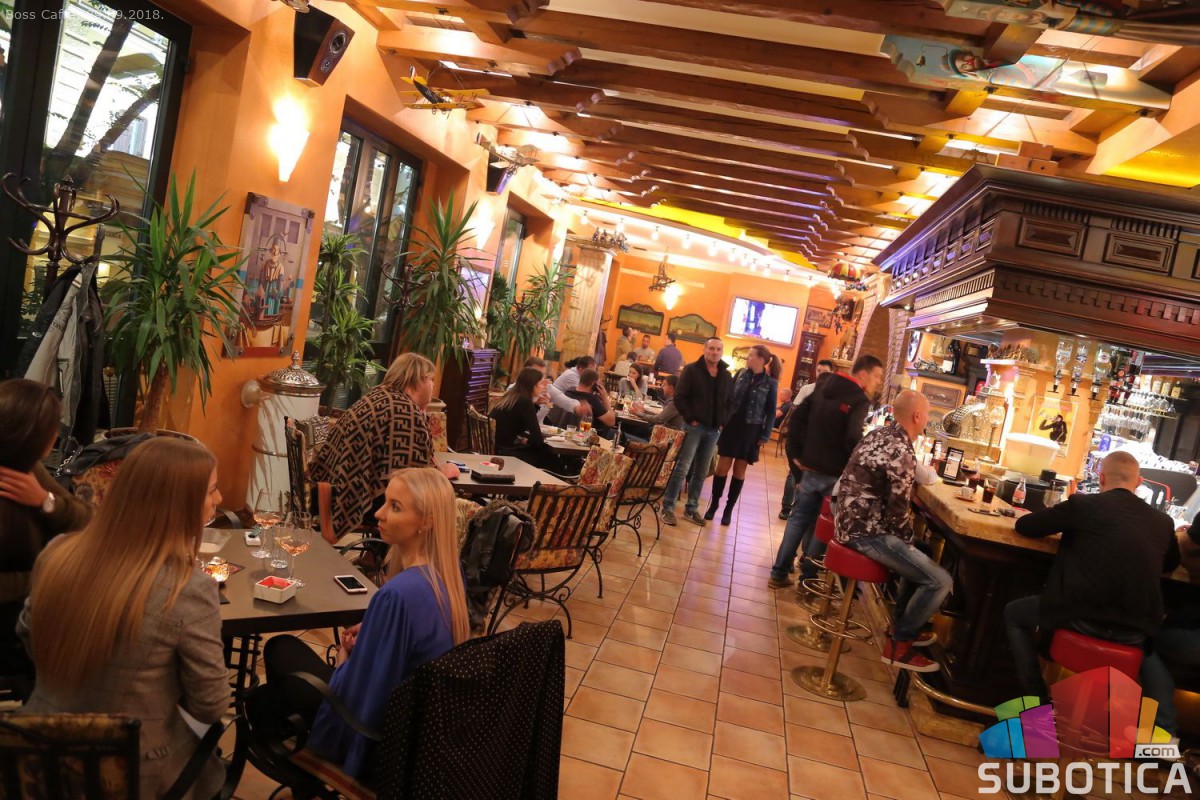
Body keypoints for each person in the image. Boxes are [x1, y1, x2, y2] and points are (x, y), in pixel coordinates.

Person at [20, 438, 230, 798]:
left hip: (37, 755)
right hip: (125, 772)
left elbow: (28, 636)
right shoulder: (189, 590)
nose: (220, 499)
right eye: (212, 490)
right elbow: (211, 705)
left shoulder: (56, 554)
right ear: (178, 505)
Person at [264, 468, 469, 780]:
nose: (378, 513)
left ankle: (297, 766)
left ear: (426, 522)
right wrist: (375, 630)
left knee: (280, 649)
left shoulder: (397, 595)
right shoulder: (450, 578)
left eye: (395, 507)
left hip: (374, 742)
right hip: (417, 733)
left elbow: (360, 695)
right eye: (385, 502)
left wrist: (344, 658)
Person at [1004, 450, 1179, 700]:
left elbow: (1026, 526)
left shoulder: (1083, 505)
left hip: (1079, 618)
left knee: (1014, 614)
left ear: (1101, 478)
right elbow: (1171, 563)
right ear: (1139, 483)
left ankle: (1037, 702)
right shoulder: (1162, 522)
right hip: (1136, 632)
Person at [835, 390, 950, 672]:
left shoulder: (880, 434)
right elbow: (897, 514)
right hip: (864, 532)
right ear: (917, 416)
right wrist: (906, 544)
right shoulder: (901, 451)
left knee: (921, 550)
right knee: (940, 581)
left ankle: (900, 625)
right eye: (927, 414)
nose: (927, 420)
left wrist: (910, 546)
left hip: (849, 520)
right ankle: (900, 643)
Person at [0, 379, 91, 685]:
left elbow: (86, 521)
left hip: (31, 613)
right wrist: (48, 578)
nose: (57, 434)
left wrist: (44, 501)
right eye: (54, 425)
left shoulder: (25, 468)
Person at [310, 353, 459, 536]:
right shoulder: (404, 411)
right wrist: (444, 472)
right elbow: (413, 478)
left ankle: (379, 552)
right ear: (417, 380)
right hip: (359, 504)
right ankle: (401, 553)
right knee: (435, 507)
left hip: (334, 492)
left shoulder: (379, 396)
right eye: (431, 379)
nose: (433, 385)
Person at [769, 354, 883, 588]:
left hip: (810, 468)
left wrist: (797, 455)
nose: (878, 382)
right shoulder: (858, 399)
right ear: (863, 374)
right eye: (877, 376)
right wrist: (857, 462)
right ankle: (808, 577)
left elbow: (797, 419)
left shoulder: (822, 386)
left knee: (798, 519)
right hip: (835, 474)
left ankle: (778, 573)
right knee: (823, 524)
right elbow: (852, 436)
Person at [704, 345, 779, 526]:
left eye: (751, 355)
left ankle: (729, 509)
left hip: (751, 429)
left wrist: (765, 435)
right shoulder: (740, 374)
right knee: (722, 468)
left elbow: (770, 412)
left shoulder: (770, 383)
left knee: (739, 470)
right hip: (732, 425)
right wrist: (722, 418)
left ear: (761, 360)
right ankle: (714, 505)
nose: (747, 358)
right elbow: (728, 398)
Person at [661, 337, 733, 527]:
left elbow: (730, 401)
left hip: (713, 430)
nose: (715, 352)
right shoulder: (691, 370)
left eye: (718, 349)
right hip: (693, 427)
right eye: (711, 348)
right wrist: (691, 418)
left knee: (701, 471)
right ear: (704, 349)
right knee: (682, 468)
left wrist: (723, 422)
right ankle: (668, 507)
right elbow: (680, 397)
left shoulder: (726, 375)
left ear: (721, 352)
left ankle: (691, 508)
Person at [779, 360, 835, 519]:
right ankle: (786, 507)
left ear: (831, 373)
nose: (820, 374)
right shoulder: (807, 389)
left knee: (808, 478)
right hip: (802, 438)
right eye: (818, 371)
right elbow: (795, 414)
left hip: (818, 443)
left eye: (824, 371)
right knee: (794, 474)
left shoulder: (833, 394)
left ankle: (799, 510)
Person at [491, 367, 560, 471]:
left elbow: (517, 420)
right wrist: (528, 441)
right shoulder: (525, 402)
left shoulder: (510, 396)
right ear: (533, 385)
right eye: (541, 384)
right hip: (506, 453)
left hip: (498, 447)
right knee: (550, 457)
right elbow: (537, 440)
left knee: (545, 454)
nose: (543, 387)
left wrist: (535, 404)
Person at [566, 369, 617, 434]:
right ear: (593, 384)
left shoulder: (568, 392)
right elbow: (611, 422)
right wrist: (605, 398)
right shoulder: (592, 399)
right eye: (599, 383)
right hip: (592, 435)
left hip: (569, 431)